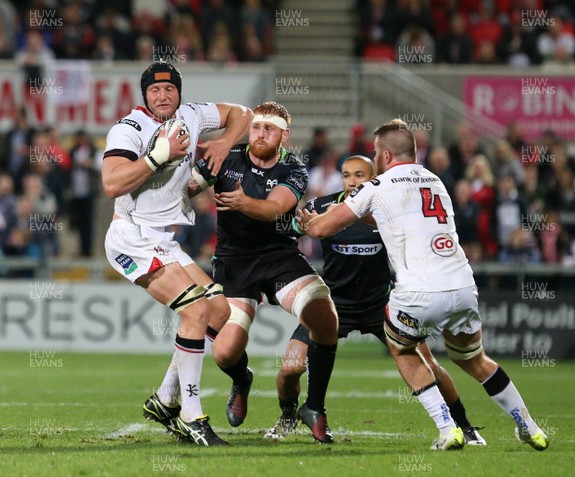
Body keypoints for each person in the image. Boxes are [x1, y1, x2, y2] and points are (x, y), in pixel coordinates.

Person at [296, 118, 549, 451]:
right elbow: (396, 216)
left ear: (385, 155)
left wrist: (310, 222)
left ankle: (448, 429)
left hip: (418, 291)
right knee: (475, 360)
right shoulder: (437, 181)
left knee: (402, 347)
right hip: (461, 286)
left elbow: (322, 229)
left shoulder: (378, 186)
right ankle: (529, 425)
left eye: (375, 152)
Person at [265, 155, 486, 446]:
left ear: (373, 179)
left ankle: (465, 427)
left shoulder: (386, 210)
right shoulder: (320, 207)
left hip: (379, 306)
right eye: (346, 175)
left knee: (430, 365)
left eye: (360, 175)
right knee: (290, 367)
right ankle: (288, 415)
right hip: (332, 306)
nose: (352, 181)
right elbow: (287, 234)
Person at [101, 61, 253, 446]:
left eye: (169, 90)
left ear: (179, 93)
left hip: (163, 239)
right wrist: (157, 156)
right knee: (197, 310)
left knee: (219, 312)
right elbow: (111, 182)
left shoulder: (193, 114)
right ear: (145, 95)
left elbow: (243, 114)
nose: (162, 96)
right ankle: (191, 414)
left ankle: (165, 399)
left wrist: (223, 142)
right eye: (154, 91)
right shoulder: (130, 128)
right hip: (131, 236)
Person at [191, 101, 339, 443]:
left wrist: (244, 204)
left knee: (324, 311)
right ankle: (242, 379)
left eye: (269, 129)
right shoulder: (226, 156)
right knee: (225, 352)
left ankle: (314, 405)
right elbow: (189, 188)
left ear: (284, 136)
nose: (260, 134)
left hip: (278, 256)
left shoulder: (295, 170)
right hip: (234, 262)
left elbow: (276, 208)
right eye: (256, 126)